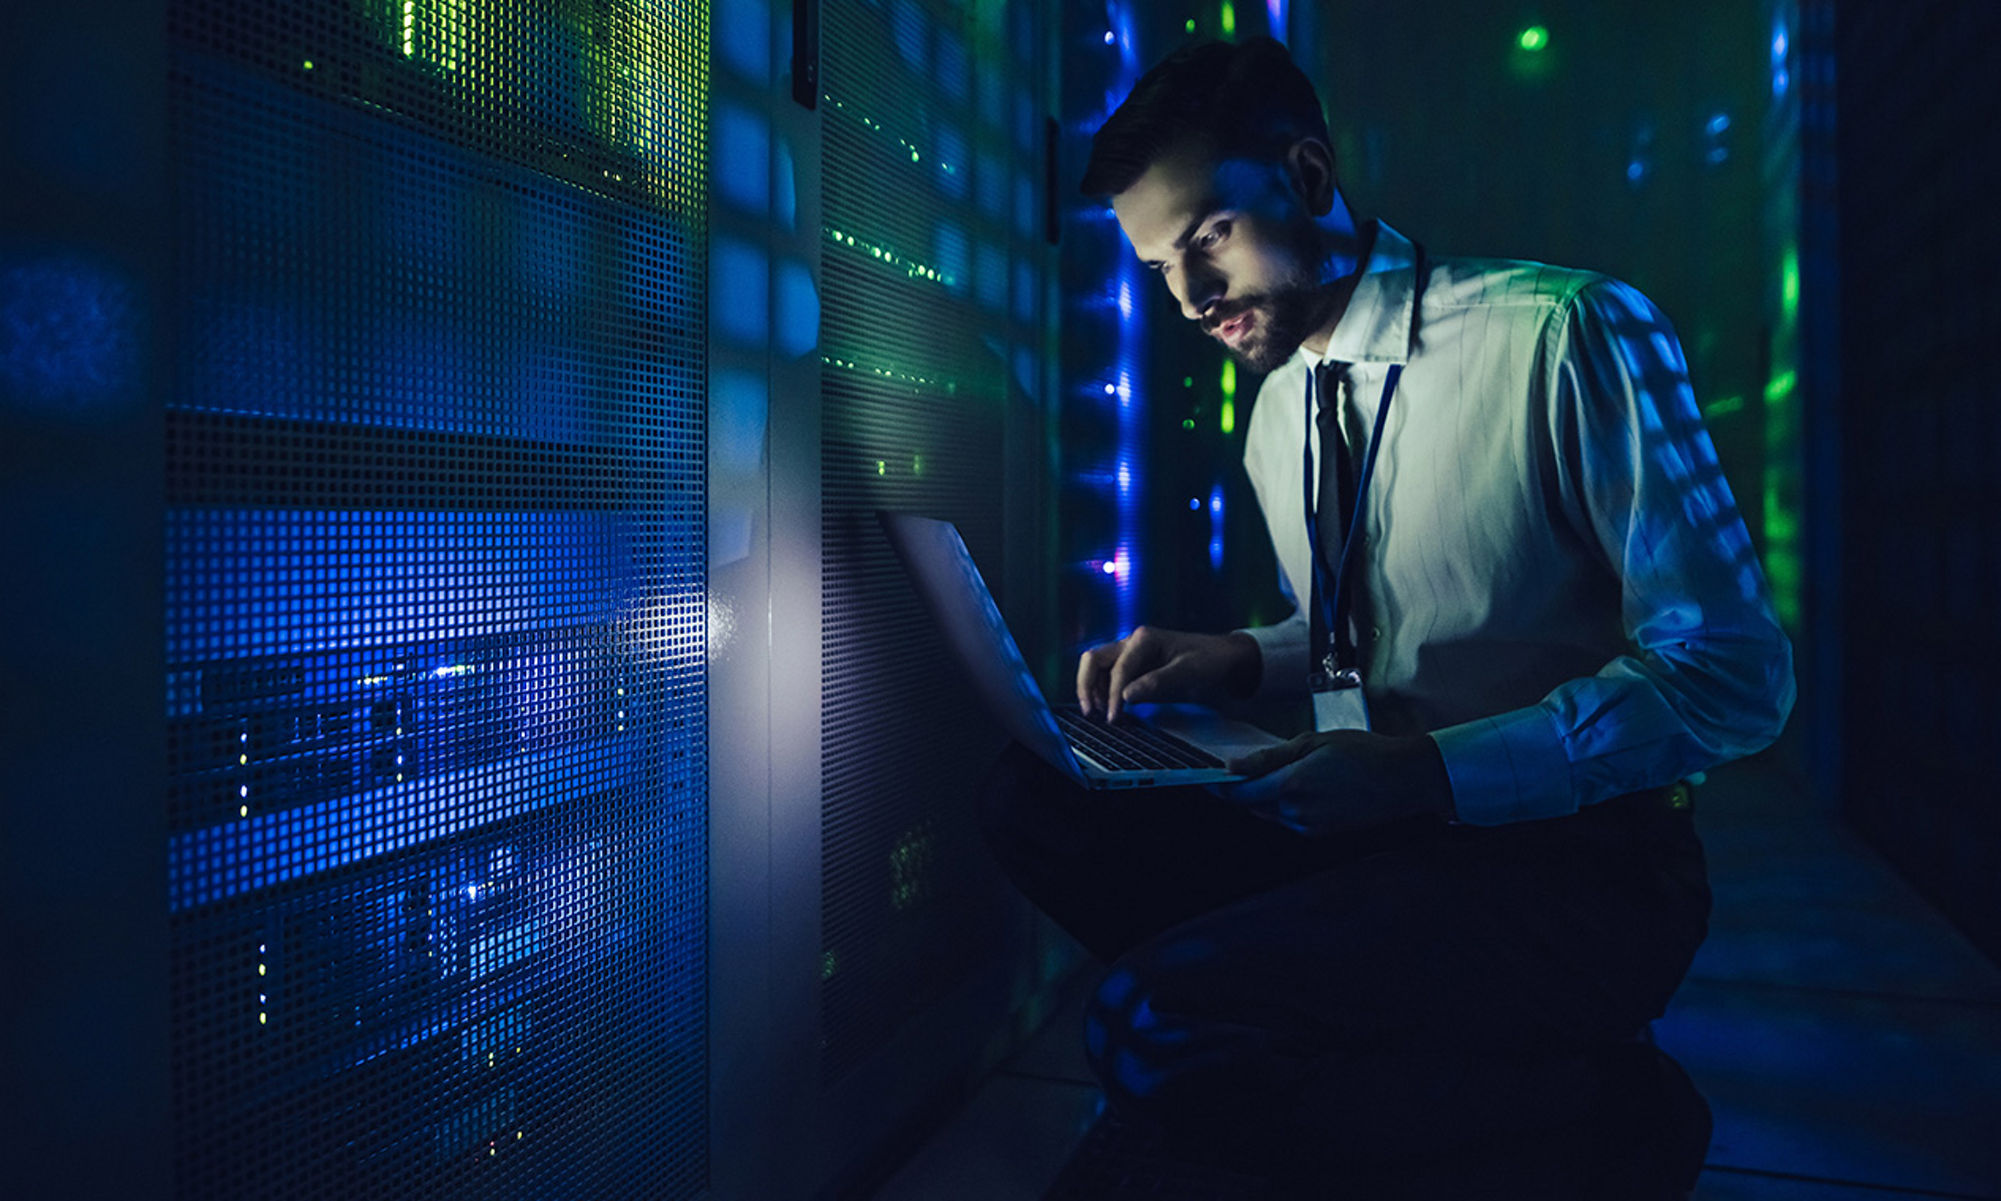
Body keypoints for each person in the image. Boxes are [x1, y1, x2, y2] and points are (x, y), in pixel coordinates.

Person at [981, 37, 1795, 1199]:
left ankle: (1599, 1107)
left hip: (1584, 873)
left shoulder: (1568, 334)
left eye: (1209, 235)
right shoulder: (1276, 417)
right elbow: (1380, 627)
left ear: (1310, 176)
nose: (1191, 298)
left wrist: (1425, 775)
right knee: (1028, 798)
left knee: (1145, 1027)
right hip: (1378, 832)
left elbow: (1732, 675)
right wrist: (1234, 659)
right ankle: (1340, 1042)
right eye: (1162, 265)